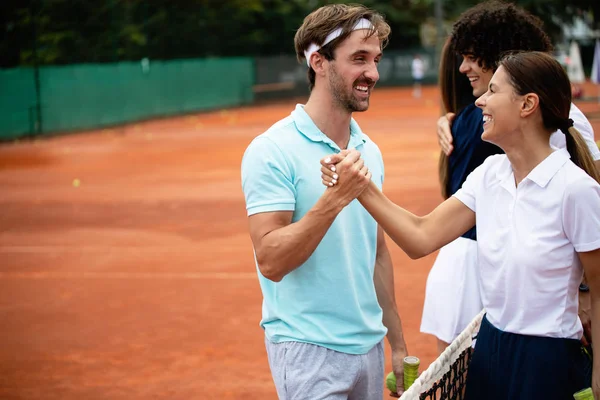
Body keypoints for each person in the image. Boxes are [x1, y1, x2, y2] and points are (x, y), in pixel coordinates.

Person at [320, 51, 600, 400]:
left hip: (549, 361)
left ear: (528, 104)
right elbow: (420, 237)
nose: (480, 100)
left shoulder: (577, 191)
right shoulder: (489, 175)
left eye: (493, 91)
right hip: (490, 350)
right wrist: (359, 185)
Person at [241, 4, 409, 399]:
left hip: (368, 349)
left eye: (376, 60)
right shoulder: (271, 149)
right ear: (318, 61)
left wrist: (397, 344)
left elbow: (377, 253)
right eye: (359, 59)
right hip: (307, 349)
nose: (373, 73)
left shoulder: (370, 150)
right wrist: (335, 198)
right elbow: (271, 259)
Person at [426, 0, 600, 354]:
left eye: (472, 56)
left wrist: (581, 293)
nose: (462, 68)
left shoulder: (561, 122)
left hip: (519, 286)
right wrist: (449, 120)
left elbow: (584, 216)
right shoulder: (474, 120)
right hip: (481, 271)